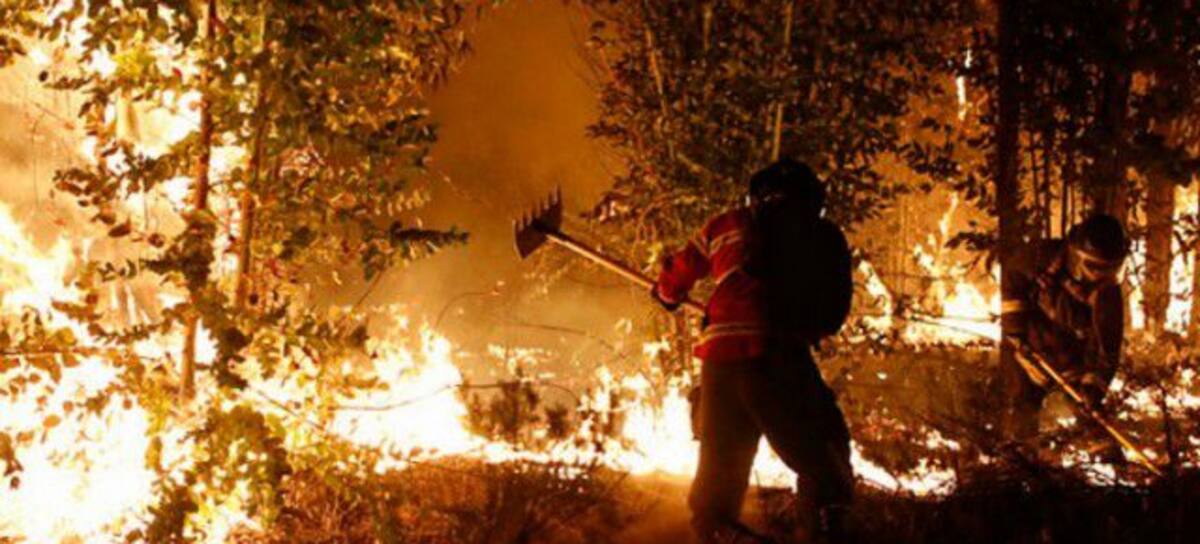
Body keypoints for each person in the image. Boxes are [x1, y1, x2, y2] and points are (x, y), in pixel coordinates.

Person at [652, 159, 854, 544]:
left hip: (719, 362)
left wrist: (665, 293)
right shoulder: (820, 234)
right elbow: (833, 311)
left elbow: (676, 276)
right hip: (776, 358)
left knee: (719, 473)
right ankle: (825, 528)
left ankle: (718, 530)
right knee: (823, 455)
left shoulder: (726, 224)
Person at [999, 213, 1129, 442]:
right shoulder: (1039, 257)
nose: (1102, 276)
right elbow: (1012, 278)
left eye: (1112, 269)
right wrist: (1016, 334)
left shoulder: (1107, 294)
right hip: (1031, 345)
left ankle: (1106, 457)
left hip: (1073, 354)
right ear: (1075, 255)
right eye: (1095, 267)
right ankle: (1017, 453)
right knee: (1022, 405)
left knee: (1086, 413)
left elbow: (1107, 350)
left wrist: (1093, 389)